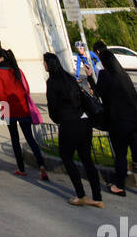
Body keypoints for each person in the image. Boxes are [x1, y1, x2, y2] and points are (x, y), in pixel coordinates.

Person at [44, 51, 103, 207]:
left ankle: (81, 194)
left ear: (48, 64)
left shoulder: (52, 82)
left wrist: (59, 119)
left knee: (67, 157)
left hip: (69, 123)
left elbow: (52, 107)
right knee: (87, 159)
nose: (43, 65)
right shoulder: (69, 77)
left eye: (44, 62)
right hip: (84, 121)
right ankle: (97, 197)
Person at [0, 47, 49, 179]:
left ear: (1, 58)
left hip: (10, 110)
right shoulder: (17, 70)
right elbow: (26, 88)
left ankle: (21, 168)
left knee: (15, 139)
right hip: (23, 108)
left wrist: (3, 112)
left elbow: (1, 94)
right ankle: (41, 165)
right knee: (30, 138)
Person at [95, 45, 137, 197]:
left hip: (118, 122)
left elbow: (98, 93)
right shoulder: (124, 75)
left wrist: (89, 78)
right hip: (133, 120)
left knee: (120, 154)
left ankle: (119, 186)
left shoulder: (104, 75)